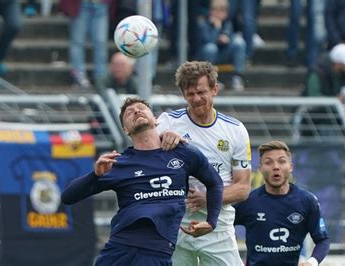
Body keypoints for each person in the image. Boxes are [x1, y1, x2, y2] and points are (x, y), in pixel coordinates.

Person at [62, 97, 224, 265]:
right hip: (119, 249)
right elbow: (68, 197)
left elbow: (215, 183)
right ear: (125, 130)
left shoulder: (183, 152)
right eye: (129, 113)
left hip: (157, 252)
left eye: (141, 108)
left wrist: (212, 222)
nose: (136, 111)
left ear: (155, 120)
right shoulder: (118, 163)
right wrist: (95, 175)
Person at [156, 61, 252, 265]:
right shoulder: (168, 123)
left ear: (214, 89)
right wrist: (162, 137)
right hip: (175, 225)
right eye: (190, 94)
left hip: (218, 226)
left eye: (201, 92)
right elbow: (139, 143)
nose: (196, 99)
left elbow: (243, 188)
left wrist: (208, 198)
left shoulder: (235, 130)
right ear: (183, 95)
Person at [233, 140, 330, 266]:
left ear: (290, 167)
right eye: (268, 162)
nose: (276, 167)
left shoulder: (307, 201)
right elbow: (223, 226)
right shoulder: (248, 201)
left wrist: (312, 262)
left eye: (282, 161)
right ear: (260, 169)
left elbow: (322, 239)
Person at [195, 0, 247, 91]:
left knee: (239, 42)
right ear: (210, 11)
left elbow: (230, 37)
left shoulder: (227, 24)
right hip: (207, 57)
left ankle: (236, 77)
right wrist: (216, 29)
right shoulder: (204, 24)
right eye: (215, 10)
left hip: (223, 53)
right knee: (211, 48)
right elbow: (207, 41)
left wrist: (227, 38)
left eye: (222, 11)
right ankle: (210, 79)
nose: (218, 13)